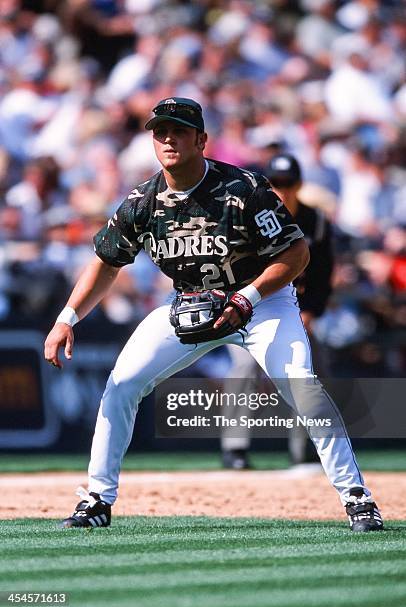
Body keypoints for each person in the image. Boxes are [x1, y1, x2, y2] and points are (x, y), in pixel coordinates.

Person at [44, 97, 383, 532]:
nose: (168, 139)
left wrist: (249, 298)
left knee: (303, 387)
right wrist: (66, 318)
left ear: (201, 139)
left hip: (261, 304)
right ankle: (95, 500)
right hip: (191, 302)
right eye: (160, 131)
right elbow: (107, 261)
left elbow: (297, 254)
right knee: (122, 383)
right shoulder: (143, 200)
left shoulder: (243, 189)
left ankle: (357, 498)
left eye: (179, 131)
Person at [221, 153, 333, 470]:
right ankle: (235, 448)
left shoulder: (316, 221)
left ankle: (306, 447)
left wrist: (311, 311)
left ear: (299, 186)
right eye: (277, 184)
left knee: (311, 368)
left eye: (289, 184)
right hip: (253, 306)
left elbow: (323, 274)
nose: (282, 191)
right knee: (244, 367)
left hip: (296, 309)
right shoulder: (250, 216)